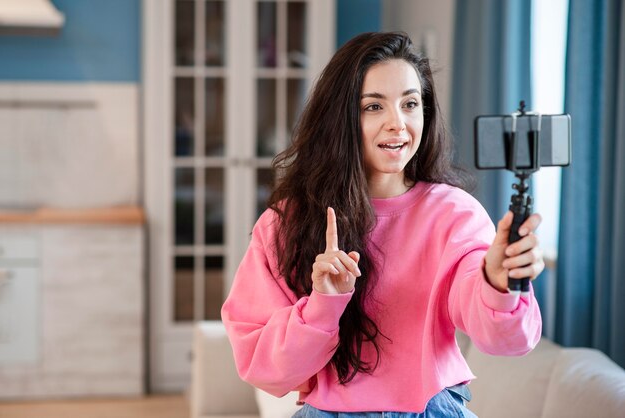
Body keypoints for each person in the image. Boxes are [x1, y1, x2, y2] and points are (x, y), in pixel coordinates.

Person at [221, 32, 544, 417]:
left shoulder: (455, 214)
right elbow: (263, 366)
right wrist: (324, 304)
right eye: (373, 107)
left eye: (410, 103)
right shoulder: (285, 223)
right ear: (341, 118)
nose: (398, 123)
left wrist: (497, 280)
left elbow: (507, 340)